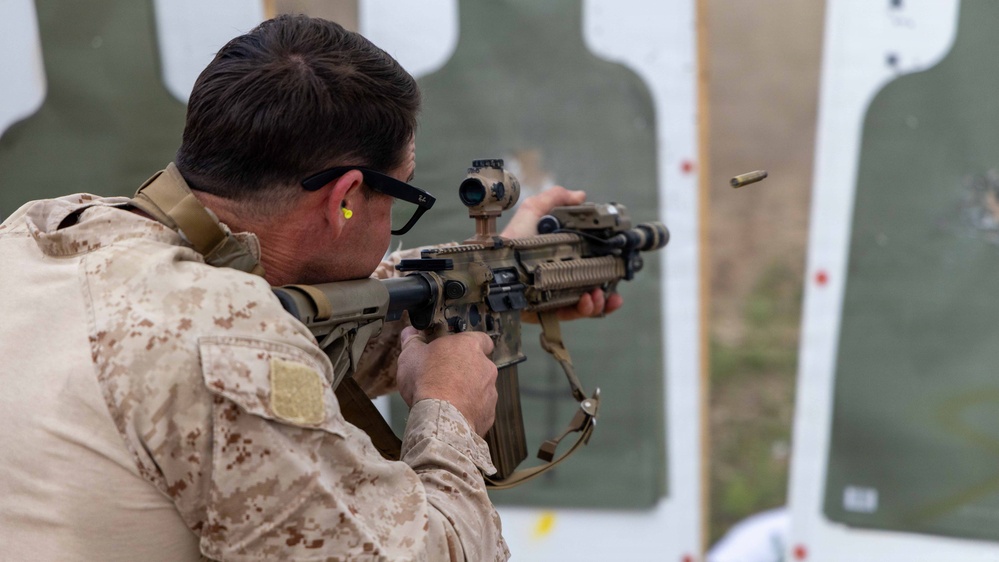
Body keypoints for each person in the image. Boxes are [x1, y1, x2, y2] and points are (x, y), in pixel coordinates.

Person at [0, 14, 620, 562]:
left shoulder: (43, 234)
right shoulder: (226, 345)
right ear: (347, 198)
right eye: (400, 194)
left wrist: (491, 276)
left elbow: (298, 310)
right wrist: (448, 413)